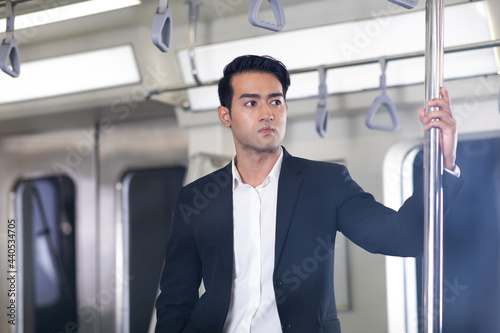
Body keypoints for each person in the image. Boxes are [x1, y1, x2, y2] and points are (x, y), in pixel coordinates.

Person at [155, 55, 463, 333]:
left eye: (275, 102)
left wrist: (443, 165)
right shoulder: (197, 197)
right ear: (226, 116)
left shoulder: (326, 183)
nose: (267, 114)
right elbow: (175, 300)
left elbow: (403, 237)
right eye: (251, 104)